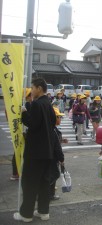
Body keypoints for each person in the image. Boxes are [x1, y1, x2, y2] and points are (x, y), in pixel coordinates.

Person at [14, 78, 56, 222]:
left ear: (39, 88)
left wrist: (24, 112)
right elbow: (51, 125)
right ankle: (43, 212)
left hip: (35, 152)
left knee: (30, 182)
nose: (31, 90)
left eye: (32, 88)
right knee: (44, 183)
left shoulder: (37, 104)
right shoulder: (49, 104)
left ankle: (26, 214)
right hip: (47, 151)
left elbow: (33, 123)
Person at [10, 88, 32, 181]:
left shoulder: (28, 104)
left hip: (23, 132)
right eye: (30, 95)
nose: (32, 96)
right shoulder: (26, 105)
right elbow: (27, 121)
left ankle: (17, 172)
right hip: (23, 133)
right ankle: (16, 173)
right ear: (27, 97)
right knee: (19, 152)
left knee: (19, 152)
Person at [50, 107, 67, 201]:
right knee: (54, 175)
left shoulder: (50, 129)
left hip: (49, 157)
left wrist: (62, 140)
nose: (60, 119)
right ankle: (49, 194)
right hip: (53, 157)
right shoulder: (53, 130)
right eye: (58, 117)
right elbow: (57, 147)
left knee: (51, 175)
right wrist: (61, 159)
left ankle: (48, 193)